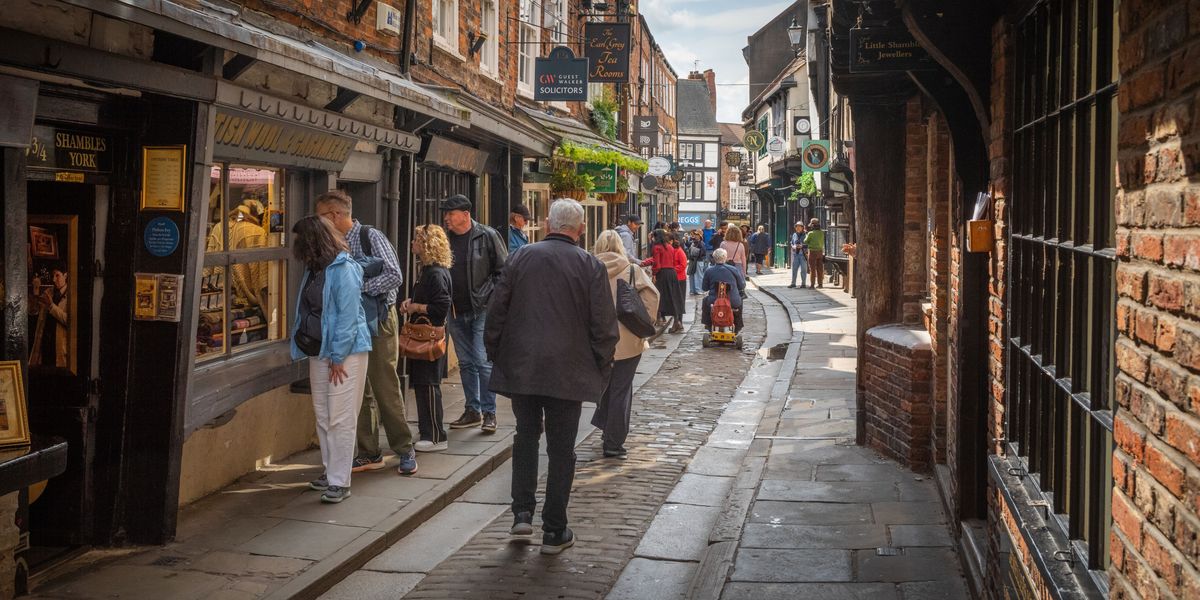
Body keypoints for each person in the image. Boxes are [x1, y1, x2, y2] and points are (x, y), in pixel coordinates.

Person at [485, 198, 619, 555]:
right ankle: (554, 530)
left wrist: (497, 355)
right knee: (562, 450)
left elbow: (496, 312)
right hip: (569, 371)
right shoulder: (590, 265)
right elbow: (604, 328)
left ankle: (522, 515)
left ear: (548, 224)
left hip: (523, 367)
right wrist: (600, 368)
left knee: (525, 436)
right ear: (581, 229)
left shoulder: (520, 257)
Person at [315, 191, 418, 476]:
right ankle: (368, 452)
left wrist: (355, 287)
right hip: (350, 323)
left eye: (322, 216)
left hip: (379, 321)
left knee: (385, 387)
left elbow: (394, 275)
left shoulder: (370, 236)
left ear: (335, 215)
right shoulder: (333, 243)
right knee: (359, 390)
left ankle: (404, 448)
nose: (320, 222)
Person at [291, 215, 374, 503]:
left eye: (300, 239)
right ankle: (330, 471)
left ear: (312, 241)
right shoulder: (314, 269)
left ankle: (340, 480)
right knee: (324, 415)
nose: (296, 245)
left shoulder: (345, 269)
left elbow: (348, 317)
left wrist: (338, 356)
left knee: (341, 416)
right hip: (319, 349)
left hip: (346, 352)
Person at [441, 194, 508, 433]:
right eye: (446, 214)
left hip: (481, 309)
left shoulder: (487, 235)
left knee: (482, 361)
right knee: (466, 363)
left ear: (465, 215)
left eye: (451, 213)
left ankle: (490, 413)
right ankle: (472, 410)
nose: (446, 218)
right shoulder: (445, 238)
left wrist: (493, 300)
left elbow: (503, 272)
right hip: (455, 310)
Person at [591, 230, 659, 459]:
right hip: (628, 340)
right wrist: (644, 323)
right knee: (621, 390)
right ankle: (613, 442)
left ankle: (605, 428)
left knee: (605, 387)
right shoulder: (631, 269)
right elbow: (652, 297)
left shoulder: (589, 269)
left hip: (596, 340)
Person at [400, 224, 453, 452]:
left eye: (417, 240)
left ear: (427, 245)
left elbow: (441, 306)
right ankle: (428, 432)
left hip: (429, 336)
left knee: (429, 384)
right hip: (426, 335)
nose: (413, 243)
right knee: (423, 384)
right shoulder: (429, 271)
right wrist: (410, 303)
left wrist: (415, 306)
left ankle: (435, 435)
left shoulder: (435, 273)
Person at [701, 248, 747, 333]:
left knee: (705, 301)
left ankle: (708, 324)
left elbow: (704, 288)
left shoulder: (709, 270)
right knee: (739, 302)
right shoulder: (733, 269)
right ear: (725, 258)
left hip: (714, 301)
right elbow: (742, 285)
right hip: (732, 300)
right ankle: (737, 326)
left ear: (714, 258)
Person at [650, 229, 685, 333]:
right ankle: (677, 321)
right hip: (672, 273)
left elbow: (657, 264)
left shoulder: (656, 248)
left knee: (659, 296)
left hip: (663, 273)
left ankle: (660, 318)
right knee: (673, 296)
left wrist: (654, 274)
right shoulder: (669, 247)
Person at [805, 218, 826, 288]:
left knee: (812, 269)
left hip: (812, 252)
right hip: (820, 252)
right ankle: (820, 284)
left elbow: (805, 241)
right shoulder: (822, 232)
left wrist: (806, 234)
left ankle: (812, 284)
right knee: (820, 268)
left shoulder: (810, 233)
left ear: (812, 225)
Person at [788, 221, 810, 289]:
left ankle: (803, 284)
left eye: (799, 226)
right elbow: (791, 242)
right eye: (796, 226)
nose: (797, 228)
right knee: (794, 269)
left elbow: (809, 244)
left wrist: (802, 246)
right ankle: (793, 283)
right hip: (796, 255)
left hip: (803, 254)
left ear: (802, 227)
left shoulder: (806, 235)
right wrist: (793, 246)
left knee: (803, 270)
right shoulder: (794, 234)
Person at [686, 230, 706, 295]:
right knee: (694, 275)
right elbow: (702, 253)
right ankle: (695, 290)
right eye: (695, 235)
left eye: (697, 235)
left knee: (697, 275)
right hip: (695, 261)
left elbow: (702, 252)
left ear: (700, 236)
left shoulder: (700, 243)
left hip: (696, 261)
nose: (695, 236)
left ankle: (696, 290)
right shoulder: (695, 242)